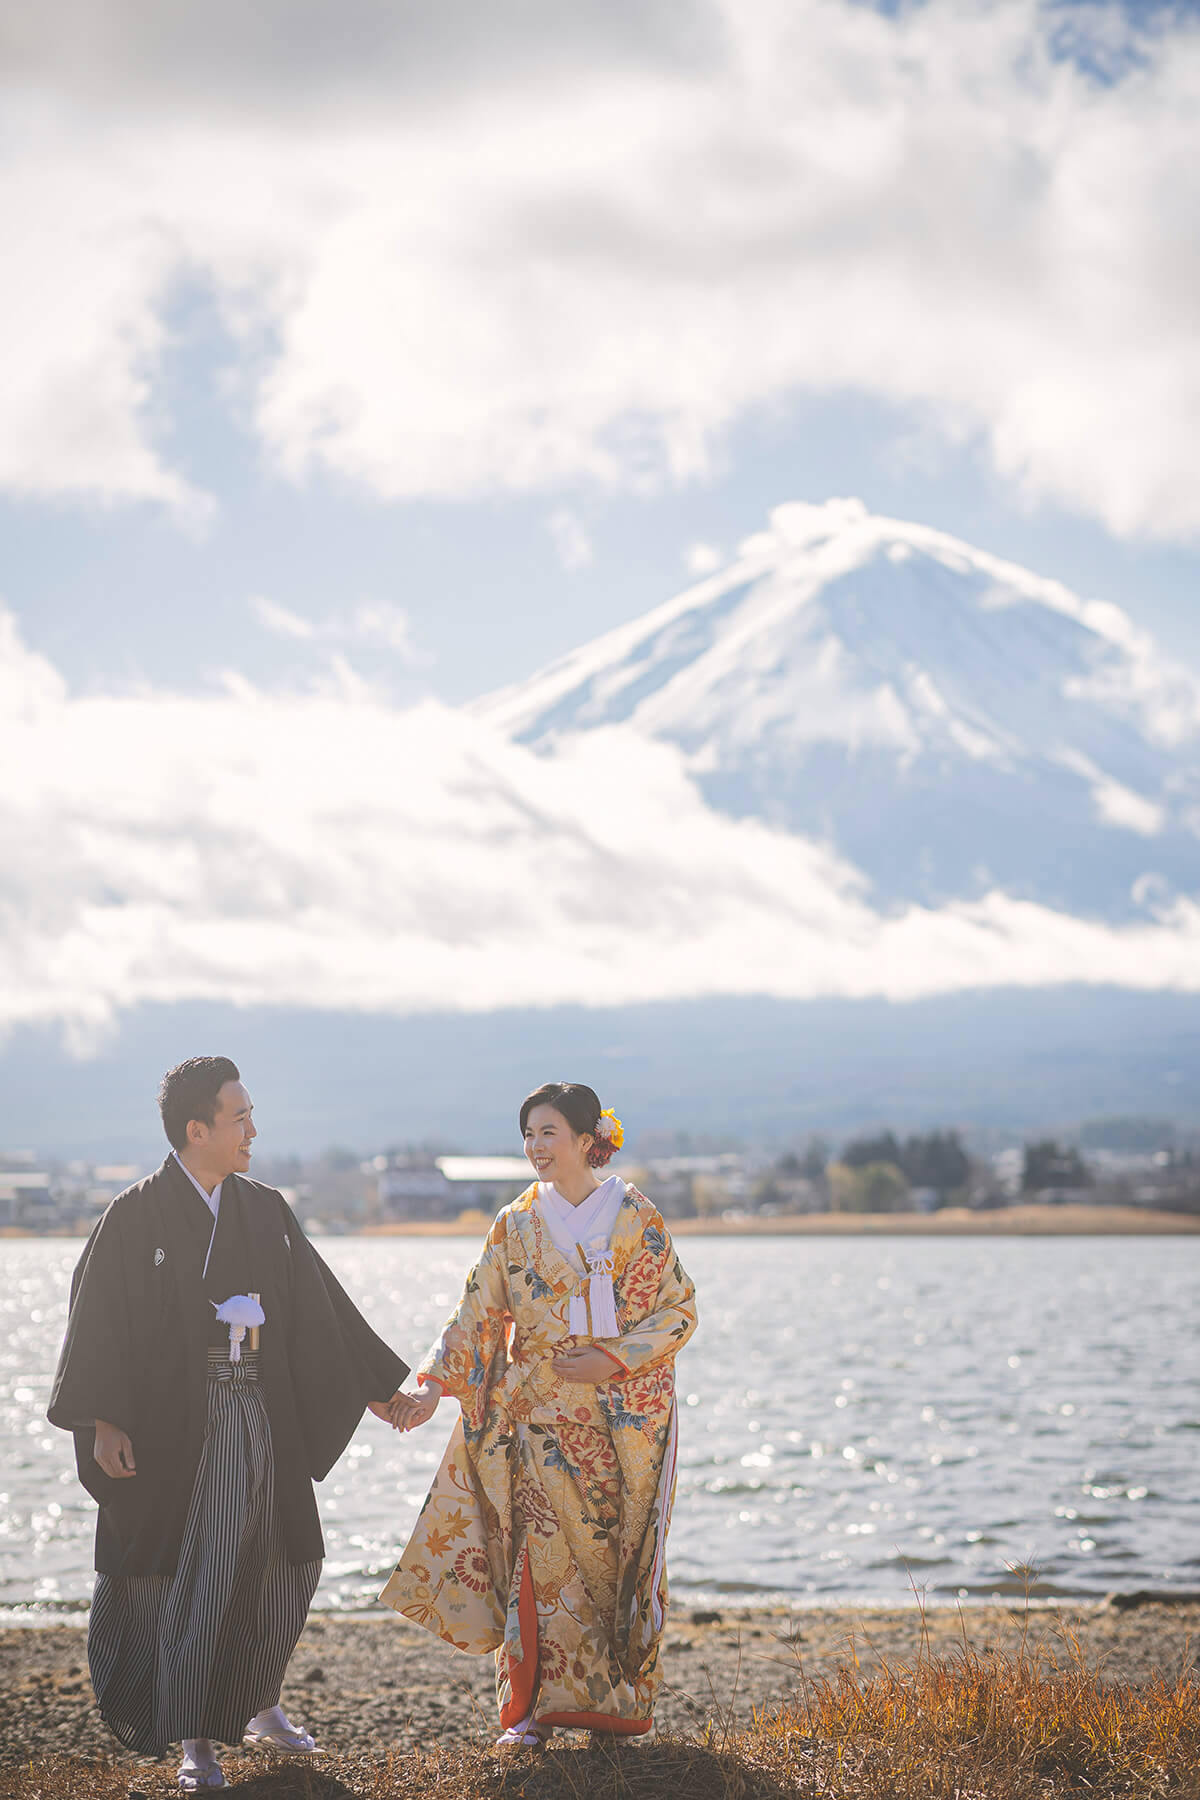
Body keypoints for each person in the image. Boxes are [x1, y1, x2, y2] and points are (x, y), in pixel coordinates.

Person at [48, 1056, 415, 1791]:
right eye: (240, 1116)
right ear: (197, 1129)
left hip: (261, 1412)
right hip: (180, 1427)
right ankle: (197, 1742)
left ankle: (259, 1702)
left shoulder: (263, 1208)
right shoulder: (136, 1213)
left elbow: (317, 1305)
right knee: (201, 1576)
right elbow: (97, 1322)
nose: (253, 1129)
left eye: (250, 1115)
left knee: (285, 1563)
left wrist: (379, 1387)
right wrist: (102, 1420)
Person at [381, 1081, 697, 1750]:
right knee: (538, 1563)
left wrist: (615, 1361)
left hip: (615, 1428)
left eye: (548, 1132)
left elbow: (679, 1310)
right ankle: (529, 1714)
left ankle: (610, 1712)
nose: (535, 1147)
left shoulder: (635, 1215)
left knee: (611, 1567)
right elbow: (475, 1313)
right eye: (528, 1134)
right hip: (537, 1421)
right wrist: (435, 1385)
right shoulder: (515, 1222)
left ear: (587, 1141)